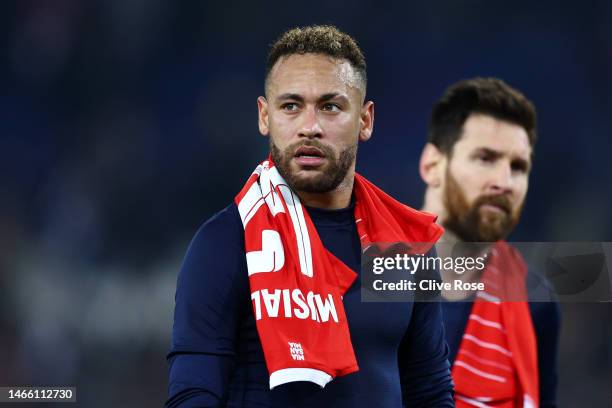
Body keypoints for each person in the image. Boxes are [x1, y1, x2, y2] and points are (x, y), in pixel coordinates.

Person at [166, 25, 454, 407]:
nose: (310, 127)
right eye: (291, 106)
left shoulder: (404, 245)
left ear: (365, 120)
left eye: (330, 107)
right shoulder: (225, 243)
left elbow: (430, 391)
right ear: (265, 116)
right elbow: (192, 394)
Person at [419, 77, 561, 407]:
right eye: (485, 158)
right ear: (432, 164)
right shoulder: (360, 267)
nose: (504, 182)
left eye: (518, 167)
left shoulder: (535, 300)